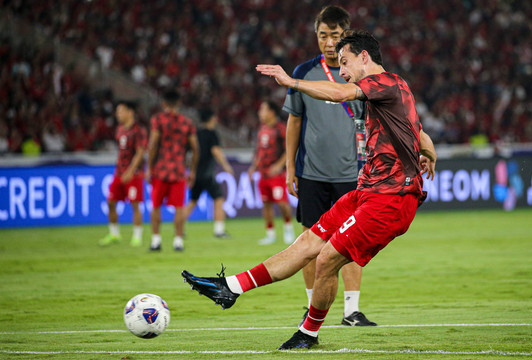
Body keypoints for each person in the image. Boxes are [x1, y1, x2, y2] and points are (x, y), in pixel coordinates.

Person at [182, 30, 437, 350]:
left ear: (364, 57)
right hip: (367, 191)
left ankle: (309, 333)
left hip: (392, 198)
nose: (342, 71)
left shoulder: (386, 83)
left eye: (345, 63)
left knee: (327, 258)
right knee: (306, 244)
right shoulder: (385, 93)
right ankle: (231, 287)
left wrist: (293, 83)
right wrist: (429, 153)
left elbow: (341, 94)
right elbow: (416, 128)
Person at [283, 5, 375, 327]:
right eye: (323, 35)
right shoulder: (303, 72)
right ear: (316, 36)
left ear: (346, 35)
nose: (327, 41)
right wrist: (289, 167)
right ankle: (311, 308)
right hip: (312, 173)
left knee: (352, 241)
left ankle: (351, 311)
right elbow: (294, 122)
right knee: (309, 240)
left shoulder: (360, 74)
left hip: (353, 173)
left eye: (335, 35)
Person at [147, 89, 199, 251]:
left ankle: (156, 241)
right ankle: (178, 241)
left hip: (160, 170)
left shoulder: (158, 120)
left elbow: (153, 145)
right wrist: (192, 171)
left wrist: (149, 167)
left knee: (155, 206)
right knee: (178, 207)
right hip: (178, 171)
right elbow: (196, 149)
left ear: (163, 103)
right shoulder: (186, 122)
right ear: (178, 103)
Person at [100, 101, 147, 247]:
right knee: (111, 202)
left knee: (135, 204)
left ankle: (137, 236)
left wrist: (130, 171)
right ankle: (114, 234)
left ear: (130, 112)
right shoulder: (119, 129)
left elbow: (140, 153)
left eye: (120, 111)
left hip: (134, 174)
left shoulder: (139, 130)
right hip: (119, 172)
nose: (117, 114)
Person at [248, 100, 296, 245]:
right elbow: (259, 152)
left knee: (282, 203)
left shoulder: (281, 128)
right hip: (263, 174)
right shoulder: (262, 129)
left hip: (277, 174)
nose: (259, 113)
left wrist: (279, 165)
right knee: (266, 203)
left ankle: (288, 229)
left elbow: (289, 149)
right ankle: (270, 233)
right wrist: (253, 167)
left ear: (271, 112)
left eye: (262, 109)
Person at [184, 109, 234, 238]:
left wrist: (190, 170)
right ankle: (219, 230)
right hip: (207, 174)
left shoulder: (195, 133)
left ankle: (179, 229)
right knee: (218, 199)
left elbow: (188, 153)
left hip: (196, 173)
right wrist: (226, 166)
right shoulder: (212, 134)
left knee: (192, 202)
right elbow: (216, 151)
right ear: (211, 118)